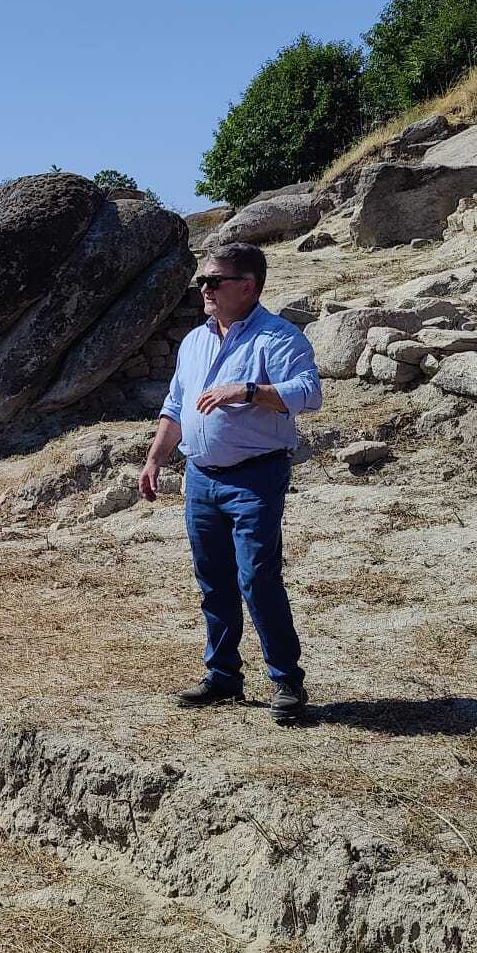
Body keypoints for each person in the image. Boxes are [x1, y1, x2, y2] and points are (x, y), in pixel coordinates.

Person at [138, 242, 322, 721]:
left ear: (248, 286)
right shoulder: (194, 341)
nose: (204, 289)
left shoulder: (277, 338)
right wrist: (156, 458)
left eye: (213, 281)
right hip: (200, 478)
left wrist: (247, 391)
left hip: (255, 477)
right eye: (202, 281)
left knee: (257, 578)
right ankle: (222, 677)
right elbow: (176, 405)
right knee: (212, 580)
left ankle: (286, 681)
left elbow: (308, 393)